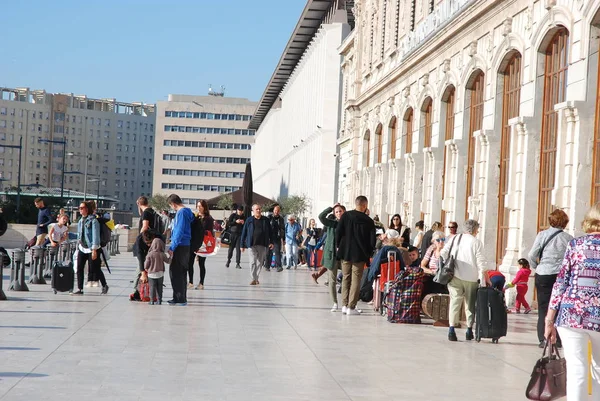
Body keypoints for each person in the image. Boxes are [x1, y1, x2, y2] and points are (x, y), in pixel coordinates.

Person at [545, 204, 600, 400]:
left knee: (577, 371)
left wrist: (549, 319)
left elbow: (561, 282)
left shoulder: (576, 245)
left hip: (571, 315)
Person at [528, 209, 573, 348]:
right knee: (558, 307)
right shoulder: (569, 238)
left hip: (543, 274)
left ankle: (543, 338)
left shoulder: (542, 235)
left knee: (543, 307)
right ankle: (557, 339)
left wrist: (538, 266)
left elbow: (531, 254)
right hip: (560, 276)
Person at [440, 219, 488, 342]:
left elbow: (443, 253)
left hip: (455, 276)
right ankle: (469, 330)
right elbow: (481, 261)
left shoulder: (455, 238)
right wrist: (484, 277)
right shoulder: (476, 242)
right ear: (475, 230)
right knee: (470, 304)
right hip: (471, 278)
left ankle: (451, 329)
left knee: (455, 303)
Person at [335, 195, 376, 315]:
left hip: (346, 252)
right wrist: (369, 252)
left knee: (345, 278)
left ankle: (344, 305)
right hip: (360, 254)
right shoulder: (368, 221)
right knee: (356, 280)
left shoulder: (346, 216)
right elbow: (372, 241)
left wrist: (339, 245)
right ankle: (351, 307)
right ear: (365, 205)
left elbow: (338, 232)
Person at [72, 201, 108, 295]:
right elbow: (80, 234)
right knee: (79, 268)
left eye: (81, 208)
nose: (79, 209)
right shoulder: (80, 220)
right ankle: (80, 288)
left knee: (95, 268)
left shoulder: (93, 221)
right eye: (79, 208)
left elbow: (95, 236)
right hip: (82, 247)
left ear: (87, 209)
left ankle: (104, 285)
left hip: (92, 248)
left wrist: (94, 250)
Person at [316, 204, 345, 310]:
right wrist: (330, 208)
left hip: (344, 256)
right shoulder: (331, 224)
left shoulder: (348, 224)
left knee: (346, 279)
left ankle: (346, 304)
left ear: (344, 212)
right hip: (332, 255)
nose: (338, 213)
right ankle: (335, 302)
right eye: (336, 212)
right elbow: (321, 216)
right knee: (332, 280)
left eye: (340, 211)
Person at [166, 194, 194, 306]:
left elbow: (179, 230)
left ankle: (179, 298)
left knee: (175, 272)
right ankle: (180, 298)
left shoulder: (181, 213)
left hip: (180, 245)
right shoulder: (188, 212)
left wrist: (173, 247)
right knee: (181, 272)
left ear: (173, 204)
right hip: (186, 245)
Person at [130, 196, 157, 301]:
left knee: (141, 267)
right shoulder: (152, 212)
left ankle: (136, 292)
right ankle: (139, 291)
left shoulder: (146, 213)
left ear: (138, 203)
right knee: (143, 268)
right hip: (150, 242)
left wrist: (140, 239)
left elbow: (145, 226)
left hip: (144, 243)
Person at [240, 204, 273, 285]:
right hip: (251, 244)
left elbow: (270, 232)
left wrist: (271, 242)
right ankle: (253, 278)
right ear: (253, 211)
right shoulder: (249, 220)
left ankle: (256, 278)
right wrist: (242, 245)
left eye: (259, 209)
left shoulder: (265, 220)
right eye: (257, 209)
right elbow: (244, 232)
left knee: (260, 262)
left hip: (262, 244)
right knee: (252, 262)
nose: (258, 210)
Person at [189, 200, 213, 290]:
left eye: (201, 206)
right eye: (197, 206)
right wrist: (195, 218)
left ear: (204, 207)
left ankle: (201, 283)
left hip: (203, 244)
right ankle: (190, 282)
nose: (199, 208)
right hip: (193, 242)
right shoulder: (195, 217)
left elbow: (207, 230)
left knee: (201, 263)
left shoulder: (208, 218)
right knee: (189, 262)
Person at [143, 232, 171, 305]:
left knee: (152, 287)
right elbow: (168, 261)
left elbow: (146, 265)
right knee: (159, 287)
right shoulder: (162, 254)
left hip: (151, 274)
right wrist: (170, 256)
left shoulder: (150, 254)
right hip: (160, 273)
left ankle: (152, 301)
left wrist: (146, 269)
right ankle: (159, 300)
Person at [420, 231, 449, 299]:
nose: (441, 242)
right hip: (432, 278)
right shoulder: (431, 250)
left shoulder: (446, 251)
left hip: (443, 280)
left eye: (443, 239)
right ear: (434, 241)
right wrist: (432, 272)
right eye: (438, 240)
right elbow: (422, 266)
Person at [267, 204, 285, 272]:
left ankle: (279, 266)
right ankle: (267, 266)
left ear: (279, 211)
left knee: (277, 252)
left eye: (277, 211)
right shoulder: (269, 217)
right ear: (273, 211)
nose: (276, 212)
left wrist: (283, 239)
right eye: (275, 210)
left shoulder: (281, 219)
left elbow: (283, 229)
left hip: (277, 237)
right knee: (269, 252)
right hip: (270, 237)